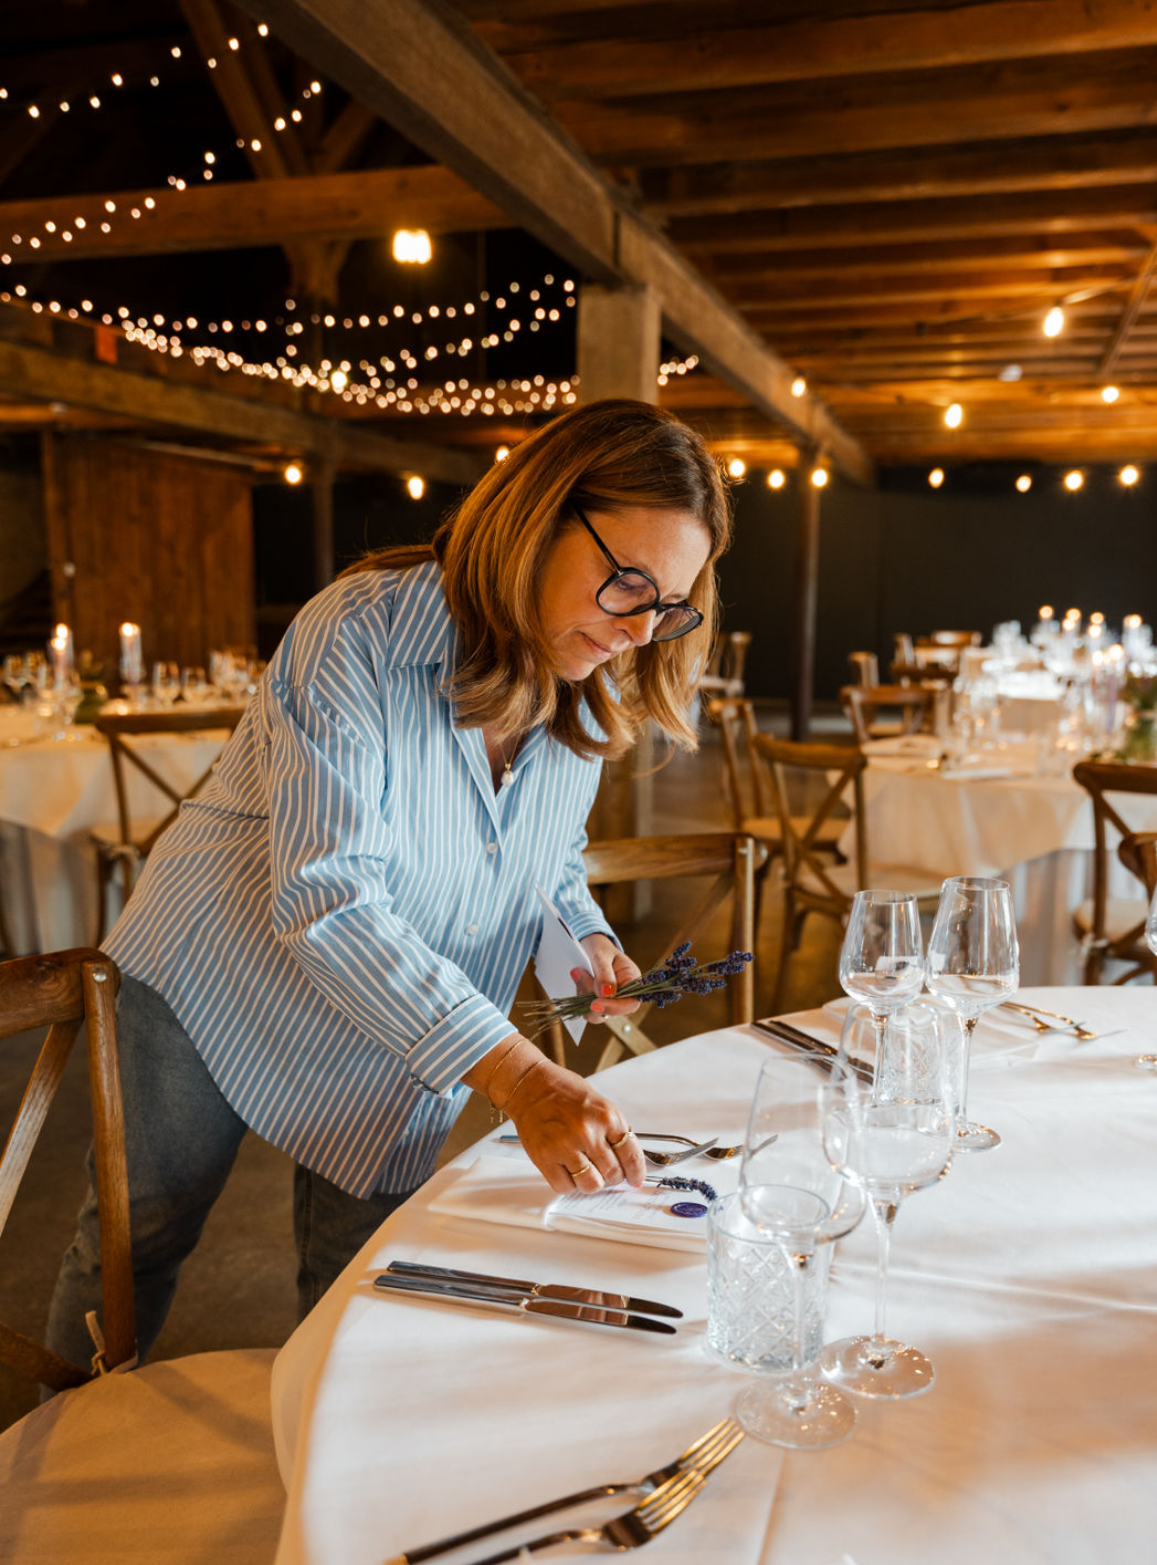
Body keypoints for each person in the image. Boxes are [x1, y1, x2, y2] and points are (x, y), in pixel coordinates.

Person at [46, 398, 731, 1370]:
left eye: (668, 605)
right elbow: (328, 898)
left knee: (358, 1280)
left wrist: (581, 938)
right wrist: (519, 1075)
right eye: (627, 583)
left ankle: (325, 1461)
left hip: (402, 1012)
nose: (638, 630)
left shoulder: (589, 668)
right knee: (139, 1244)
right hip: (217, 976)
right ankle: (49, 1448)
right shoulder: (359, 632)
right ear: (537, 518)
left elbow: (544, 855)